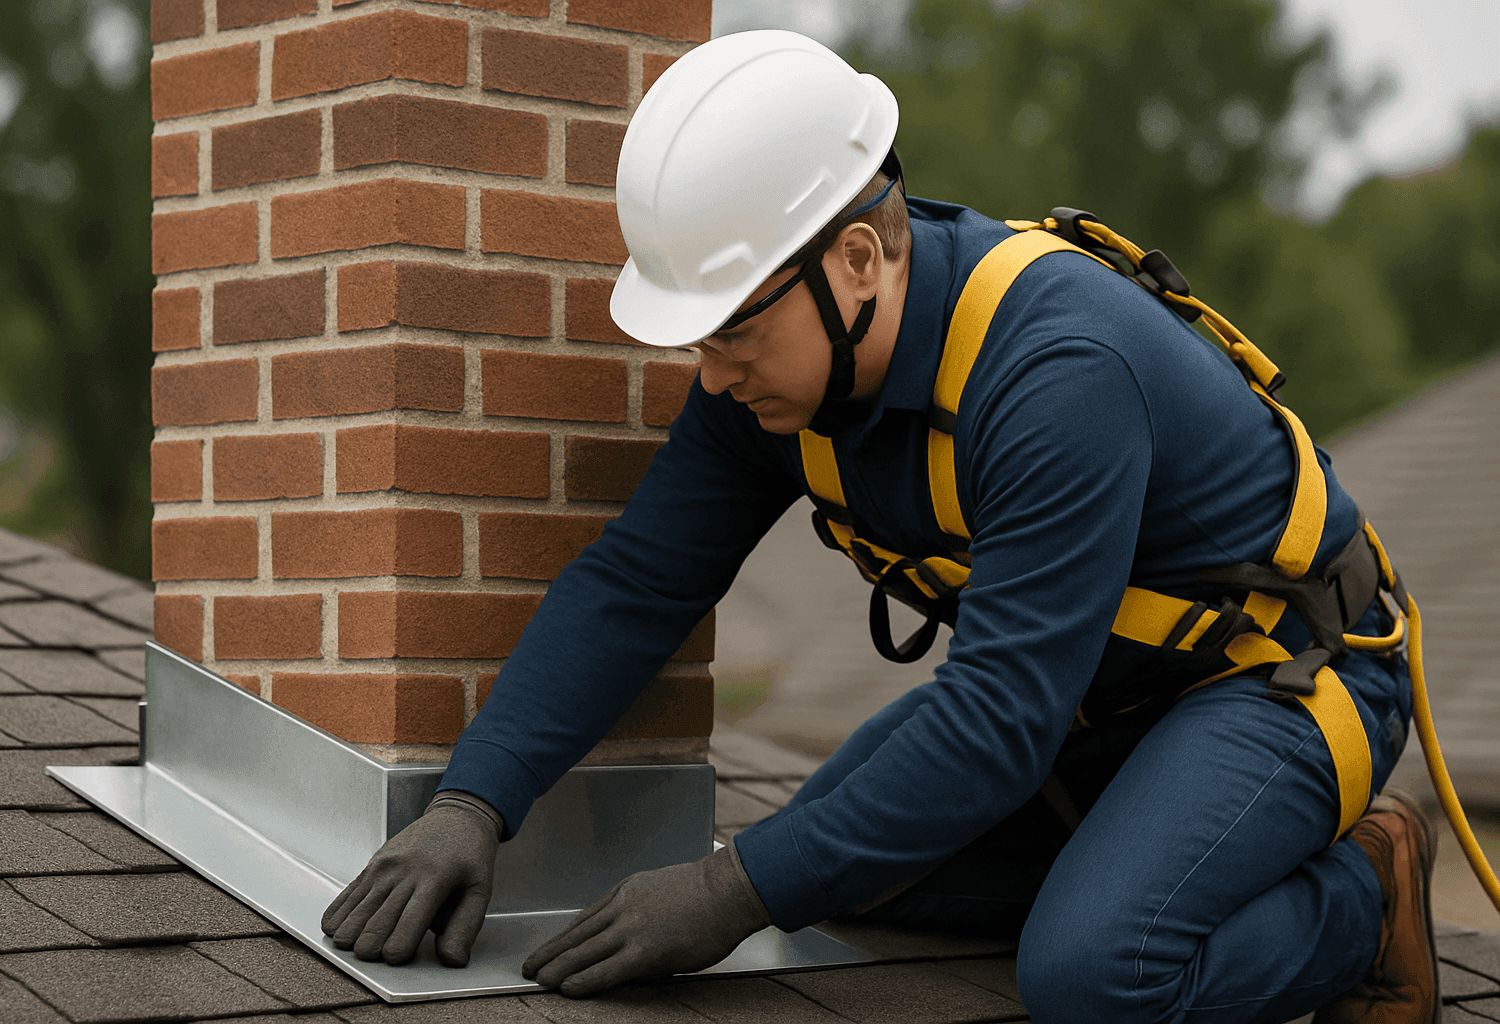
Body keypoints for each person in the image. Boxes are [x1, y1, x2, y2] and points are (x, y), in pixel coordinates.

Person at [319, 30, 1438, 1023]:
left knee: (1095, 973)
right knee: (848, 860)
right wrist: (473, 802)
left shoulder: (1056, 372)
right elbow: (637, 583)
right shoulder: (773, 381)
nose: (709, 377)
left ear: (857, 261)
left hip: (1279, 681)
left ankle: (1364, 894)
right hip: (1099, 707)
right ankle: (1139, 849)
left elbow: (999, 715)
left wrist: (728, 891)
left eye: (731, 331)